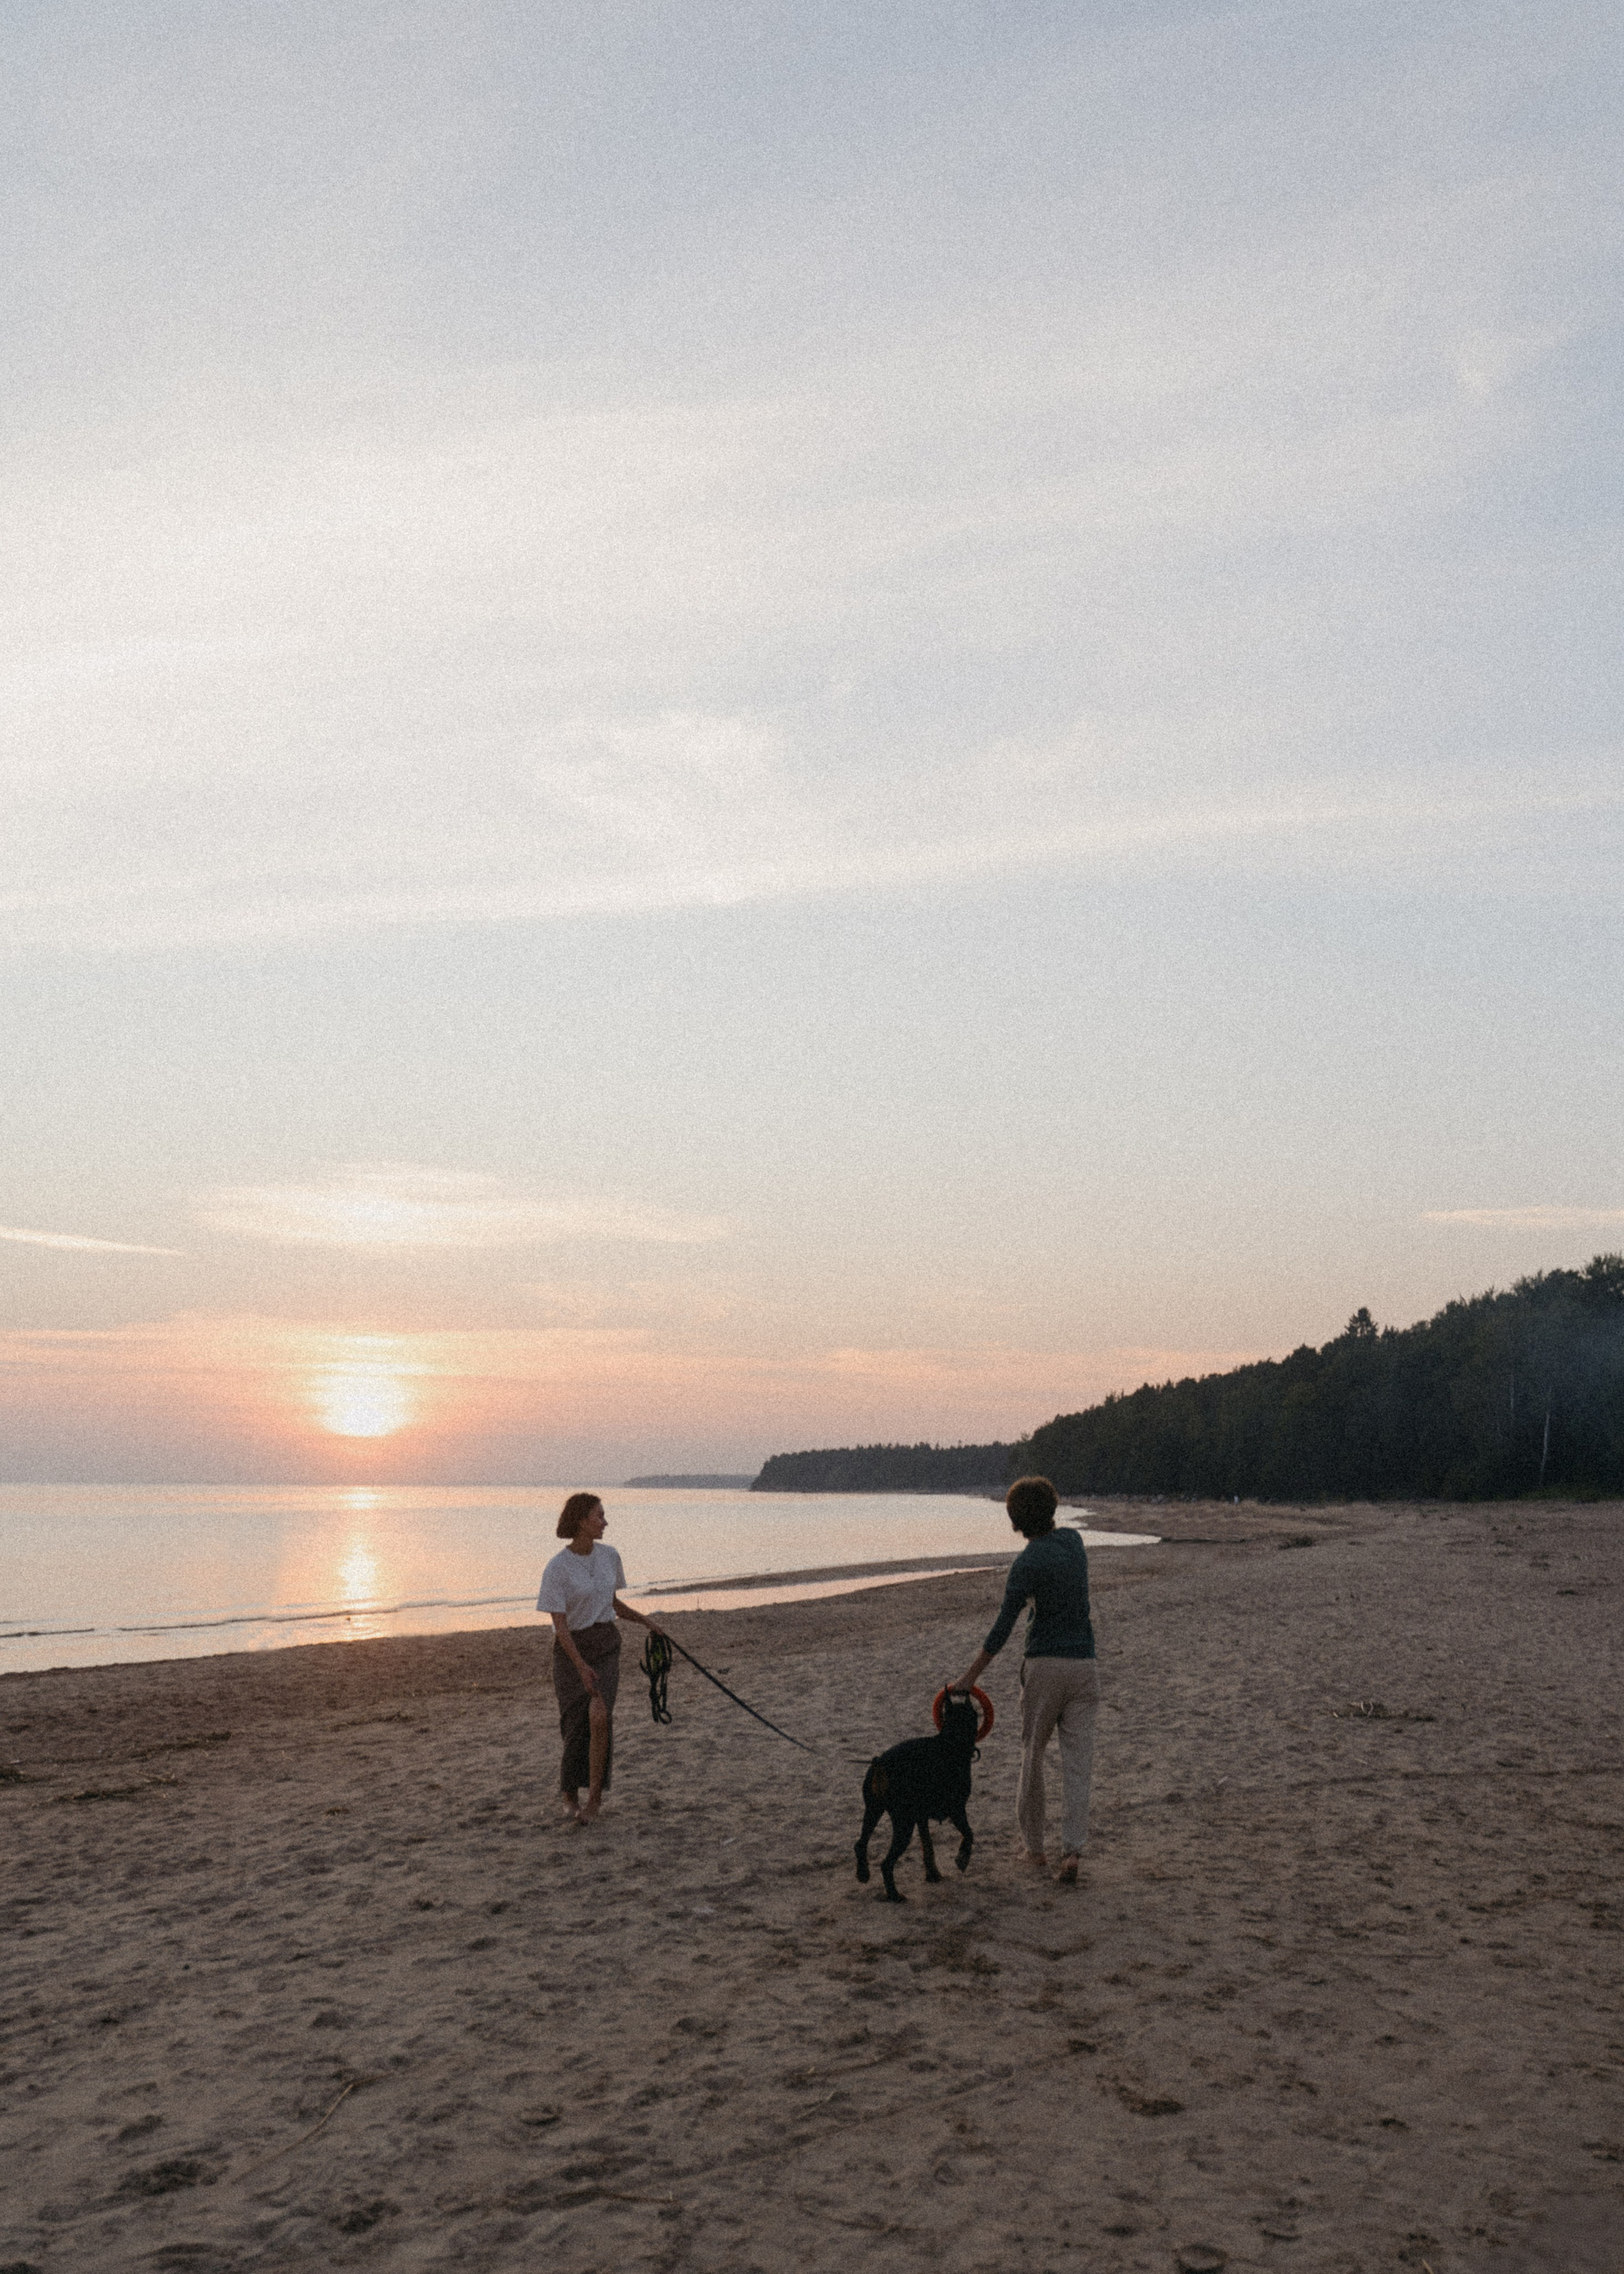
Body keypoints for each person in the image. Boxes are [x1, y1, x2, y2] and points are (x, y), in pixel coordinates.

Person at [950, 1474, 1098, 1884]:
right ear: (1051, 1509)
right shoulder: (1074, 1543)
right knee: (1078, 1763)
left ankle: (1034, 1849)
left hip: (1046, 1667)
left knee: (1033, 1756)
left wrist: (968, 1678)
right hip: (1085, 1665)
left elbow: (1002, 1629)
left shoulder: (1026, 1565)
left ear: (1016, 1522)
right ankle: (1072, 1853)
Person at [537, 1492, 664, 1825]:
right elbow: (560, 1627)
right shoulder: (557, 1568)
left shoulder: (610, 1556)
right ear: (581, 1521)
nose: (606, 1522)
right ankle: (570, 1797)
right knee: (575, 1724)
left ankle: (594, 1801)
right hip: (571, 1650)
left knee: (600, 1718)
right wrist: (580, 1666)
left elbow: (613, 1604)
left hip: (606, 1643)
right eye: (600, 1516)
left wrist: (649, 1623)